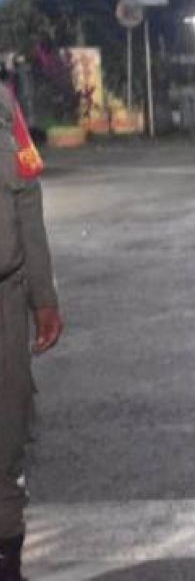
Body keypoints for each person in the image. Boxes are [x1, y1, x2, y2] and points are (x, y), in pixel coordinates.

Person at [0, 81, 63, 581]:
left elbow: (27, 203)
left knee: (8, 432)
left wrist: (44, 297)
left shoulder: (2, 104)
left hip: (6, 297)